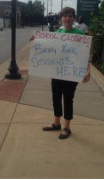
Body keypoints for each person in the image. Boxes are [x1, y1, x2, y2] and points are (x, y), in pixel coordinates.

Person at [30, 7, 90, 139]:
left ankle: (66, 127)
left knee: (68, 99)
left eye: (70, 16)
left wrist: (87, 70)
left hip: (71, 72)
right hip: (57, 71)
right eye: (65, 16)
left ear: (74, 18)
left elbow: (85, 55)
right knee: (56, 97)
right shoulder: (57, 33)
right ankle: (56, 123)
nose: (67, 18)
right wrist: (35, 40)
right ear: (61, 18)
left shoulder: (80, 34)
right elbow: (47, 47)